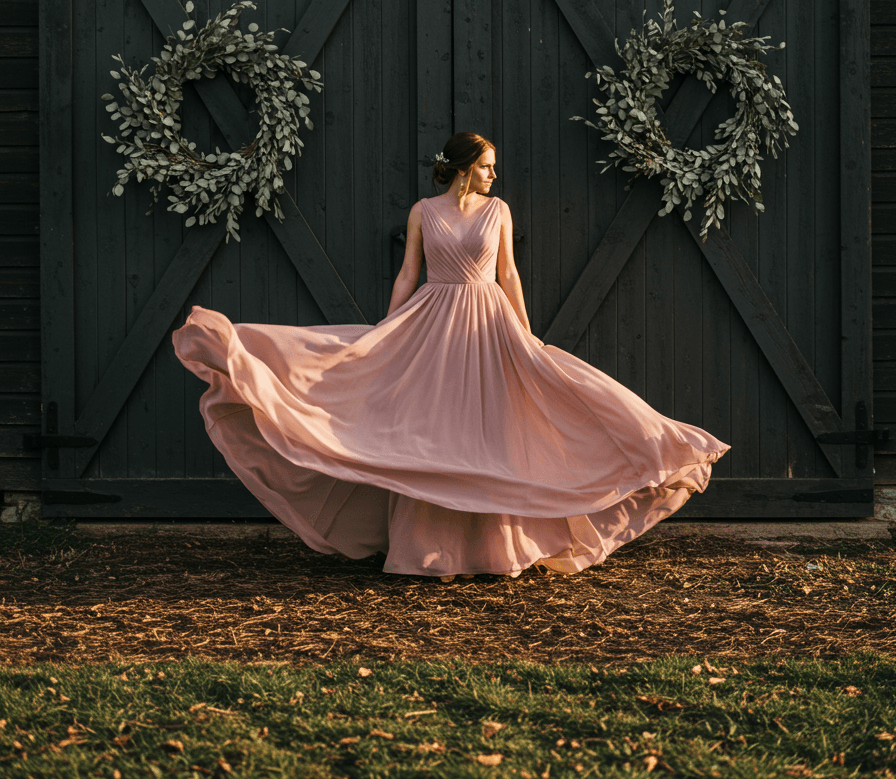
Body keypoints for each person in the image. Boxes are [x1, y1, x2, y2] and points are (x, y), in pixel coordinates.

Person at [173, 131, 729, 580]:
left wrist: (527, 336)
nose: (494, 174)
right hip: (432, 321)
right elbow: (408, 274)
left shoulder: (498, 211)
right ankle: (426, 549)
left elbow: (507, 273)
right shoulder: (423, 211)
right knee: (434, 426)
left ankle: (498, 546)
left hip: (489, 324)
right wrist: (386, 331)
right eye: (487, 166)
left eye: (494, 167)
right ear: (464, 167)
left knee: (491, 426)